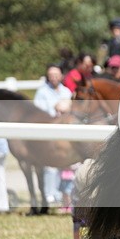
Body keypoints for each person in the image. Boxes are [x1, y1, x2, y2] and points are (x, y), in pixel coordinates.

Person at [33, 64, 73, 205]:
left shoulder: (66, 91)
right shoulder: (42, 93)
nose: (54, 78)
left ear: (61, 76)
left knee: (67, 164)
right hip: (49, 130)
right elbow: (39, 112)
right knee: (50, 165)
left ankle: (65, 194)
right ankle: (50, 194)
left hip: (65, 131)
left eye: (56, 74)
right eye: (51, 75)